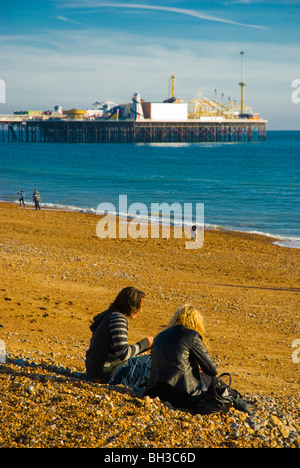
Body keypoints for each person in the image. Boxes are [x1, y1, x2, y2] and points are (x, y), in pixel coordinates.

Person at [144, 304, 251, 414]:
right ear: (196, 323)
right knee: (212, 379)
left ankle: (238, 400)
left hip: (155, 392)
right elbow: (212, 369)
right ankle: (238, 400)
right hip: (182, 396)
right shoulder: (191, 335)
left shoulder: (159, 337)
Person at [85, 286, 153, 390]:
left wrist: (144, 347)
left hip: (96, 372)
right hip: (109, 376)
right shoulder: (118, 319)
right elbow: (123, 353)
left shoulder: (109, 315)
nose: (141, 311)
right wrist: (145, 343)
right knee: (156, 362)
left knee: (148, 360)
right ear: (132, 306)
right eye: (140, 306)